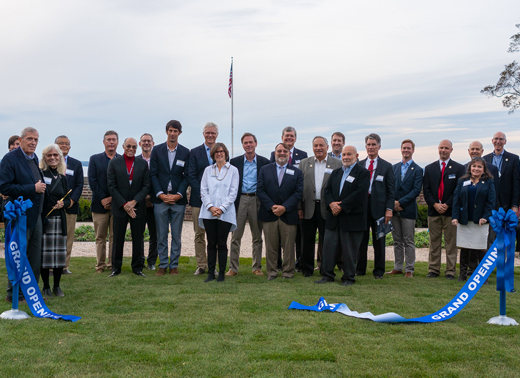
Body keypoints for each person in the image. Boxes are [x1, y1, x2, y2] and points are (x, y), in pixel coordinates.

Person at [0, 127, 46, 302]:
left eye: (36, 139)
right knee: (18, 255)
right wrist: (32, 188)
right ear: (21, 139)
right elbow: (4, 187)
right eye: (29, 139)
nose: (33, 142)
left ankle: (30, 291)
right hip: (19, 215)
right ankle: (14, 293)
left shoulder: (34, 158)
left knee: (35, 256)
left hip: (36, 215)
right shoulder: (10, 159)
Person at [315, 146, 370, 286]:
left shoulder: (362, 173)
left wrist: (342, 206)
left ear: (356, 156)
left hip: (352, 218)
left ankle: (348, 277)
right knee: (328, 248)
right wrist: (332, 204)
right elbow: (326, 191)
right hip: (334, 218)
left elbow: (360, 193)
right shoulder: (336, 172)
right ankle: (327, 275)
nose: (346, 157)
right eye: (344, 154)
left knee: (349, 251)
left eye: (349, 154)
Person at [258, 142, 304, 280]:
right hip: (269, 213)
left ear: (289, 154)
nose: (282, 153)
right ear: (274, 153)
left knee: (289, 246)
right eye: (279, 151)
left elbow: (298, 192)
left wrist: (284, 207)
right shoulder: (265, 170)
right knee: (271, 246)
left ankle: (288, 272)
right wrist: (272, 206)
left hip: (288, 214)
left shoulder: (297, 172)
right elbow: (260, 190)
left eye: (285, 151)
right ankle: (272, 272)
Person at [150, 121, 190, 276]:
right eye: (170, 130)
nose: (172, 133)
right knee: (161, 235)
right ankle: (163, 264)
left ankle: (174, 265)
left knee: (176, 235)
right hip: (160, 199)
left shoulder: (186, 152)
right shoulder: (157, 150)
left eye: (175, 131)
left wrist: (178, 194)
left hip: (178, 200)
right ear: (166, 131)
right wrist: (160, 194)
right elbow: (153, 174)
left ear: (180, 133)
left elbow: (186, 177)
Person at [299, 136, 342, 277]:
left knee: (328, 241)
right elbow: (299, 187)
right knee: (307, 240)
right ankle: (307, 270)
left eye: (321, 145)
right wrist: (299, 207)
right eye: (316, 145)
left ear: (327, 147)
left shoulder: (337, 164)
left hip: (327, 209)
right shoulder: (304, 163)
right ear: (312, 147)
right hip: (308, 208)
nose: (318, 148)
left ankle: (326, 269)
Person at [107, 137, 150, 277]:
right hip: (120, 207)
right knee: (118, 238)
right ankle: (116, 267)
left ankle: (137, 267)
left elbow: (146, 186)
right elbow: (112, 187)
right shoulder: (114, 163)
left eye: (133, 147)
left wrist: (134, 202)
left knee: (138, 238)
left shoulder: (142, 164)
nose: (131, 149)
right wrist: (125, 204)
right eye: (128, 146)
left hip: (138, 207)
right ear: (123, 147)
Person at [228, 133, 270, 276]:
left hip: (256, 200)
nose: (248, 145)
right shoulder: (235, 162)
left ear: (256, 143)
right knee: (235, 236)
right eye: (245, 143)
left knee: (257, 236)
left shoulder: (265, 162)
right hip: (240, 199)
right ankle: (233, 268)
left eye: (250, 142)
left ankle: (256, 267)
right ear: (243, 145)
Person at [423, 140, 465, 279]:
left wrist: (447, 204)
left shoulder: (459, 168)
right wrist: (434, 204)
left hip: (450, 211)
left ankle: (450, 271)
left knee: (450, 243)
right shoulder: (429, 168)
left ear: (451, 150)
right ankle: (433, 269)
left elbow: (458, 190)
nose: (443, 150)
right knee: (433, 242)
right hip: (433, 211)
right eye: (441, 147)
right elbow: (426, 190)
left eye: (446, 148)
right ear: (438, 149)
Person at [198, 143, 239, 282]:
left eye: (221, 151)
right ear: (213, 154)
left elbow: (233, 192)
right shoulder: (208, 170)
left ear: (225, 153)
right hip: (208, 212)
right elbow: (203, 190)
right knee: (211, 242)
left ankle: (221, 273)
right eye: (216, 152)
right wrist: (211, 207)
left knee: (221, 243)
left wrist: (221, 208)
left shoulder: (233, 170)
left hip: (225, 213)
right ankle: (211, 273)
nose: (219, 154)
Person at [356, 133, 395, 279]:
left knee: (379, 241)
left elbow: (391, 190)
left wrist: (389, 209)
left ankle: (379, 271)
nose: (371, 147)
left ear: (379, 146)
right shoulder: (359, 165)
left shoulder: (386, 166)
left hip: (380, 208)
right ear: (365, 147)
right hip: (362, 207)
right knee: (361, 240)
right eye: (368, 144)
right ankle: (360, 269)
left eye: (373, 145)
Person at [269, 127, 307, 271]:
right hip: (277, 203)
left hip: (294, 204)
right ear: (282, 137)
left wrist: (299, 206)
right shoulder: (275, 155)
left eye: (291, 136)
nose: (289, 138)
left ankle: (298, 264)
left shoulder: (302, 155)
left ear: (295, 138)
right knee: (277, 237)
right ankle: (278, 264)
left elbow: (301, 184)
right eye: (286, 136)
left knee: (295, 236)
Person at [453, 158, 496, 281]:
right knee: (464, 248)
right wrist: (455, 217)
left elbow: (491, 202)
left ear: (484, 169)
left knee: (481, 248)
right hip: (464, 220)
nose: (476, 169)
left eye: (479, 167)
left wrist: (485, 217)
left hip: (480, 222)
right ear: (470, 167)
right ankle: (462, 274)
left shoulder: (489, 182)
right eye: (474, 166)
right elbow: (456, 200)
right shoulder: (462, 181)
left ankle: (482, 277)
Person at [386, 139, 423, 278]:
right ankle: (397, 267)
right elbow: (389, 187)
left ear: (413, 150)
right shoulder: (393, 168)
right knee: (397, 241)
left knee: (408, 240)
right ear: (401, 149)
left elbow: (416, 190)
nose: (406, 150)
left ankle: (409, 269)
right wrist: (393, 204)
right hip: (394, 211)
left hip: (408, 210)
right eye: (404, 148)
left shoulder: (418, 170)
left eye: (408, 148)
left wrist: (400, 202)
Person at [188, 122, 219, 275]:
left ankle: (214, 265)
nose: (210, 135)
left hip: (216, 202)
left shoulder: (221, 152)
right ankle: (201, 265)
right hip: (198, 200)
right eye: (208, 133)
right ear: (203, 134)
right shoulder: (194, 152)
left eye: (213, 133)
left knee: (215, 234)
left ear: (217, 135)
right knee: (199, 233)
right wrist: (203, 193)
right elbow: (191, 176)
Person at [39, 144, 71, 297]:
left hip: (59, 220)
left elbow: (68, 199)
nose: (52, 158)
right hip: (45, 220)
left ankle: (57, 286)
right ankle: (45, 286)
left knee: (59, 255)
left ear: (60, 158)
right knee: (44, 255)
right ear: (44, 158)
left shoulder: (63, 178)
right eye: (49, 155)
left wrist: (63, 204)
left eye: (55, 155)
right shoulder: (39, 175)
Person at [88, 130, 120, 273]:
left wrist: (113, 198)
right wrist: (103, 198)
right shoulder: (94, 159)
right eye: (109, 139)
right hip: (99, 204)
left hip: (117, 204)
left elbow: (124, 184)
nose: (111, 142)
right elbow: (92, 181)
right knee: (100, 237)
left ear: (118, 142)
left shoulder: (122, 160)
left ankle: (112, 265)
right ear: (104, 142)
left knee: (115, 237)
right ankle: (100, 265)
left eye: (114, 139)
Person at [55, 135, 84, 275]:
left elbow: (79, 185)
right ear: (55, 145)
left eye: (67, 144)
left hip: (70, 207)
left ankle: (64, 267)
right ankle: (50, 266)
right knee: (52, 236)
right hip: (53, 207)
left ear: (70, 147)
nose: (64, 146)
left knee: (68, 237)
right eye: (61, 143)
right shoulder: (50, 162)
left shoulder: (76, 164)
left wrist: (71, 201)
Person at [138, 133, 158, 270]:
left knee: (154, 234)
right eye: (144, 141)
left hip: (155, 202)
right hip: (139, 202)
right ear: (140, 144)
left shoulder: (157, 160)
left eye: (148, 141)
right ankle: (139, 260)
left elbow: (160, 179)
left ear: (153, 144)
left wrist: (151, 196)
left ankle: (151, 261)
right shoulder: (135, 161)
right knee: (138, 233)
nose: (146, 143)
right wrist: (142, 197)